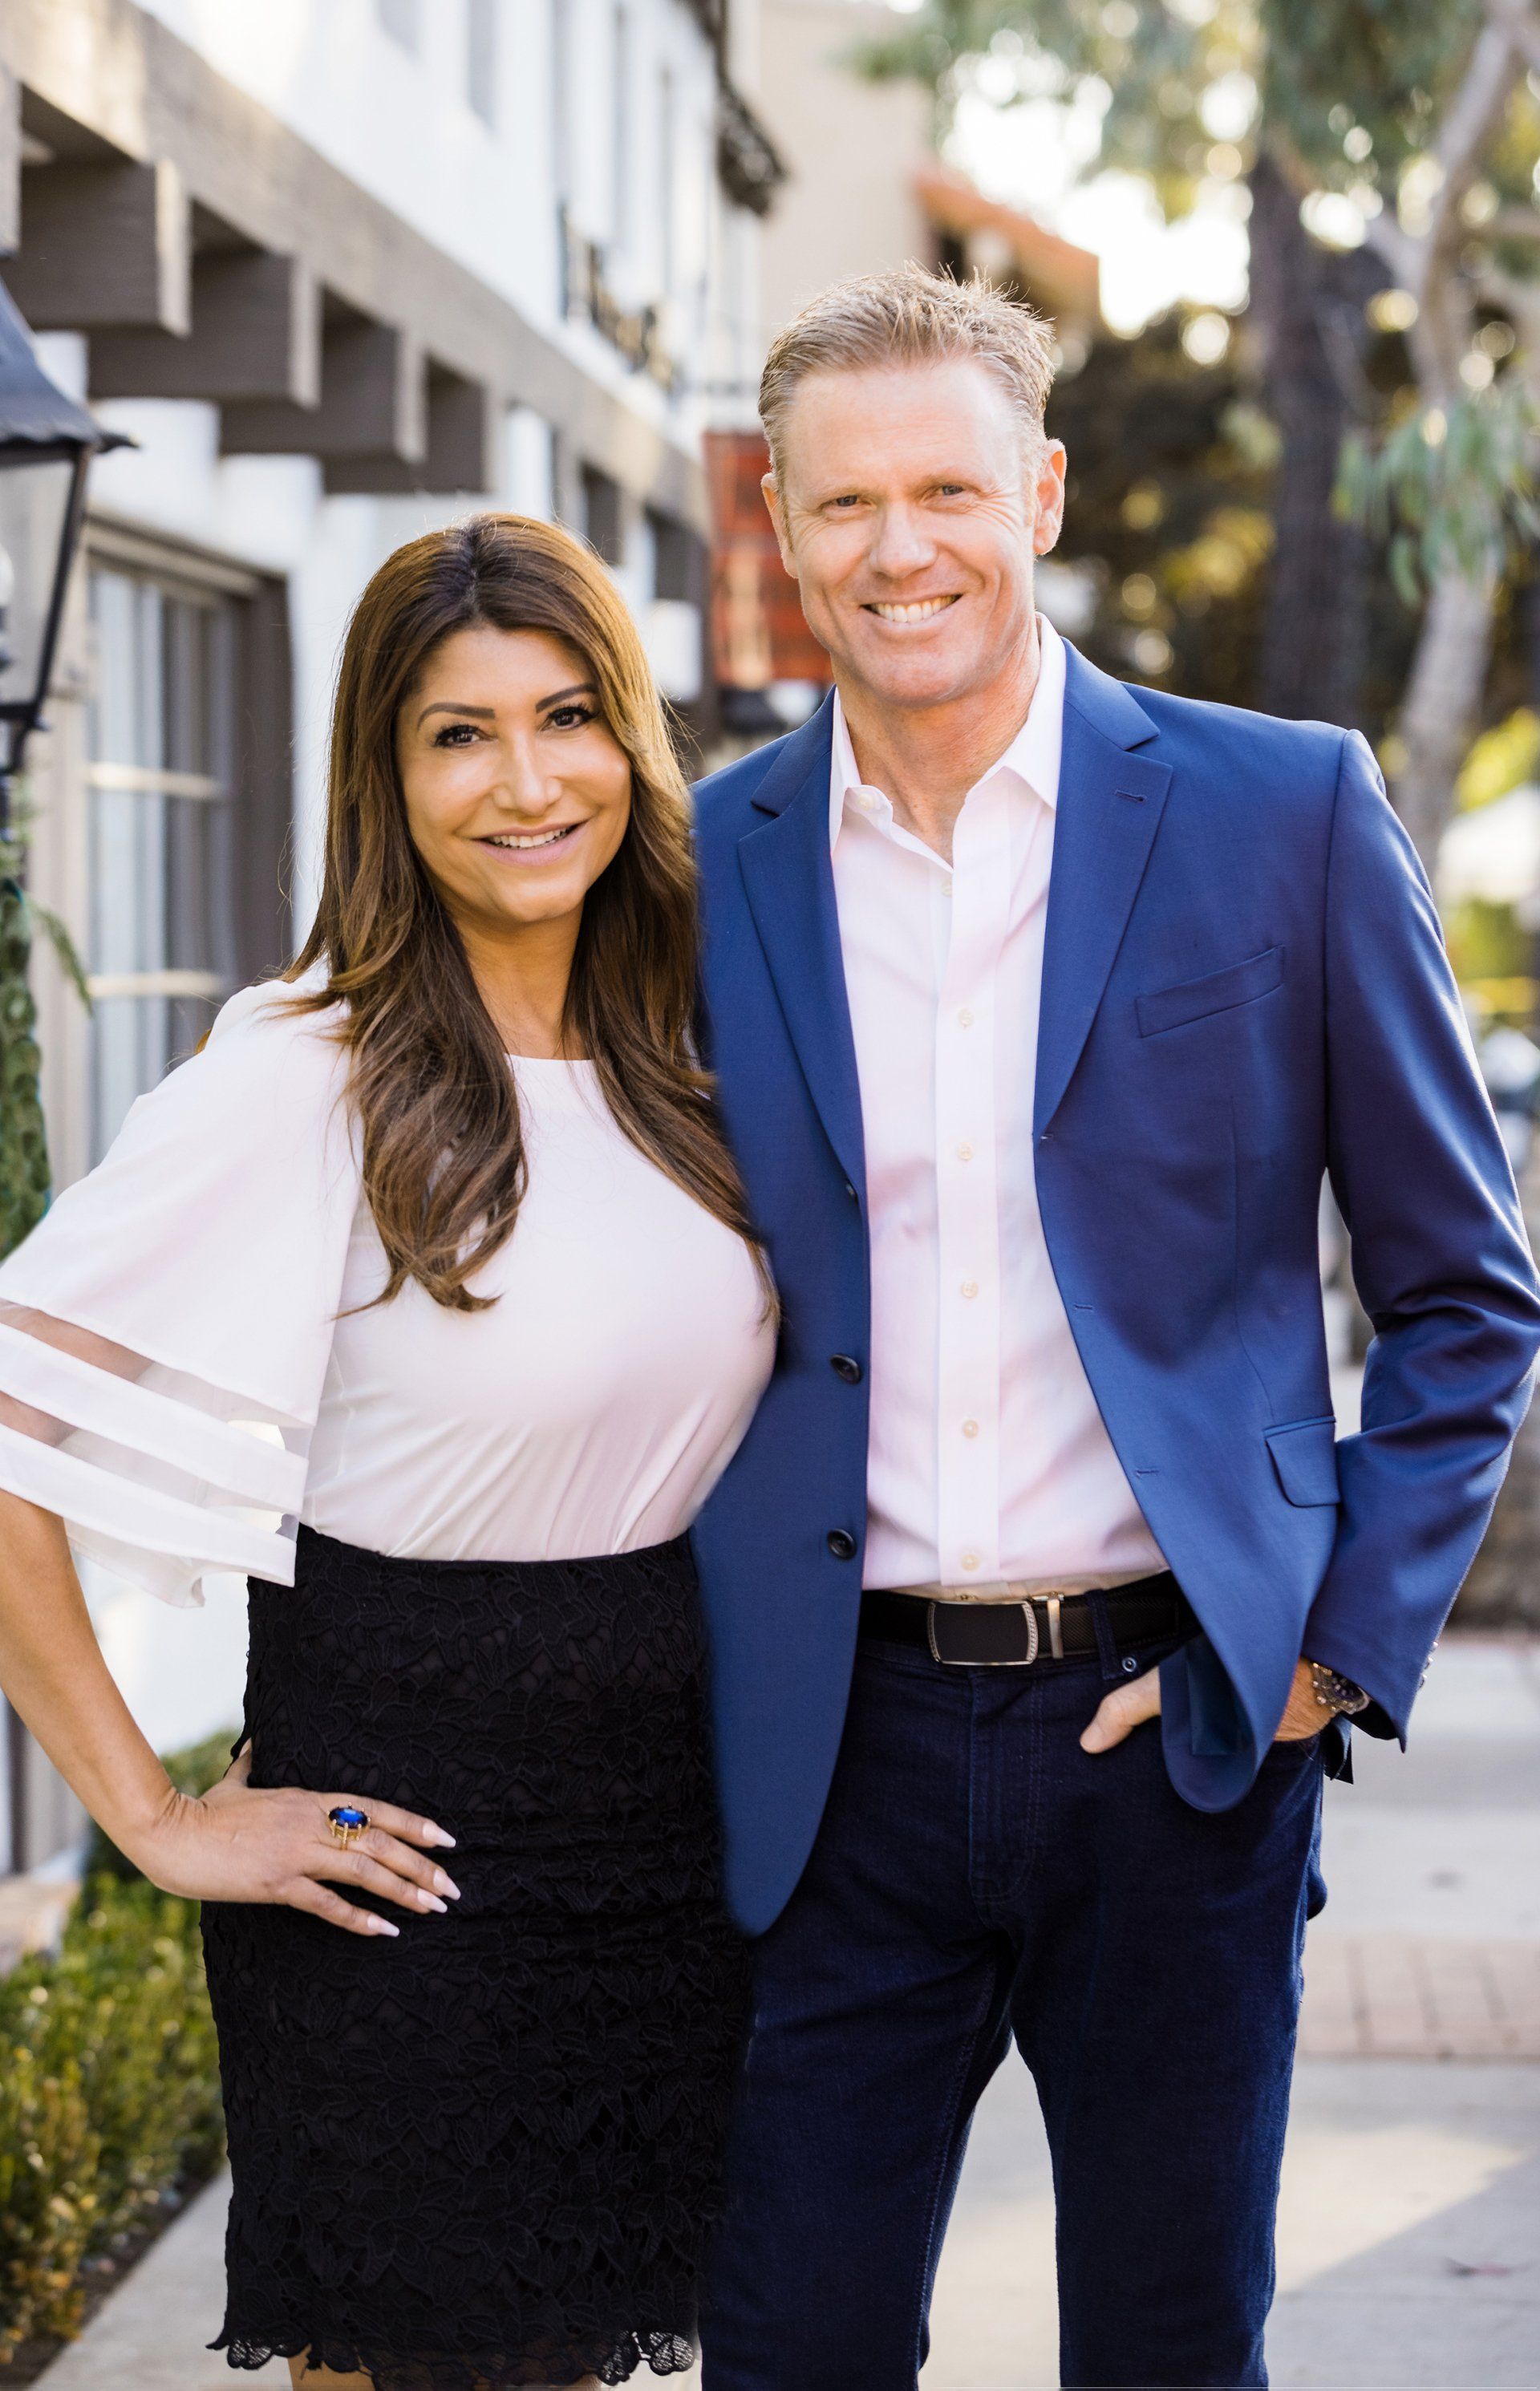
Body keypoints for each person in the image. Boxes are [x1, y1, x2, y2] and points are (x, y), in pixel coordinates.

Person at [686, 265, 1540, 2390]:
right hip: (828, 1745)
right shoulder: (708, 865)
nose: (904, 548)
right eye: (847, 502)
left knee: (1169, 2347)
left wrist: (1327, 1640)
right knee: (787, 2345)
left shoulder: (1287, 813)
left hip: (1173, 1727)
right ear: (781, 527)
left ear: (1042, 490)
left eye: (949, 488)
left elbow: (1462, 1284)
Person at [0, 514, 774, 2391]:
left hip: (669, 1822)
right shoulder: (310, 1069)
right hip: (401, 1836)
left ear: (633, 741)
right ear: (384, 772)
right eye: (458, 733)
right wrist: (156, 1818)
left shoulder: (701, 1048)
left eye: (570, 716)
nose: (527, 781)